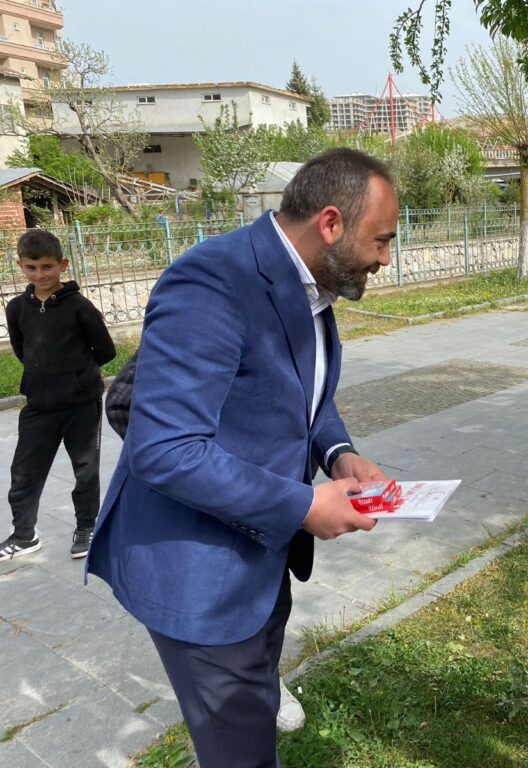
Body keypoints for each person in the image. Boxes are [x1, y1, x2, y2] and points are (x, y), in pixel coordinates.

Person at [87, 148, 399, 767]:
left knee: (252, 732)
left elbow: (302, 393)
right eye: (381, 239)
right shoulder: (213, 283)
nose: (386, 258)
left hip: (259, 556)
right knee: (238, 756)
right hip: (199, 576)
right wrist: (305, 503)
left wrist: (338, 454)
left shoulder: (310, 281)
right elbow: (165, 450)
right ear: (331, 223)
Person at [102, 348, 307, 734]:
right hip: (208, 538)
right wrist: (212, 477)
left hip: (271, 531)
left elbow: (310, 403)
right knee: (230, 727)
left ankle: (267, 683)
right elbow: (123, 403)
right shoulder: (211, 297)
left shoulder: (307, 308)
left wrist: (336, 452)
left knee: (271, 615)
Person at [0, 229, 115, 561]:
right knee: (24, 472)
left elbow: (105, 351)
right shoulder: (17, 307)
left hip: (81, 403)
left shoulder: (80, 307)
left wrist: (76, 376)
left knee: (84, 470)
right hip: (38, 405)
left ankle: (86, 528)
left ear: (62, 265)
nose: (40, 274)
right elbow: (22, 349)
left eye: (47, 267)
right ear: (20, 265)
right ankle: (24, 535)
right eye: (32, 267)